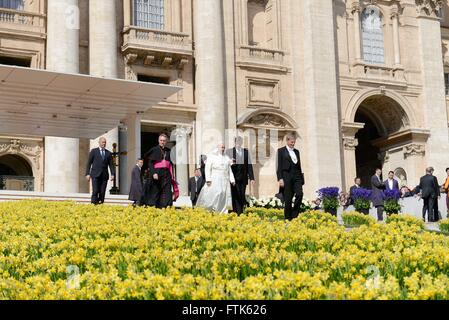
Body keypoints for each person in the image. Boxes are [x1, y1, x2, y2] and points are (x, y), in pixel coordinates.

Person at [196, 143, 235, 213]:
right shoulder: (211, 156)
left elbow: (229, 170)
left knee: (224, 195)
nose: (223, 149)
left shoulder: (226, 157)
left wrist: (232, 180)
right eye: (221, 147)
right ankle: (213, 211)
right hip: (215, 179)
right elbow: (207, 168)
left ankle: (222, 213)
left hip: (225, 180)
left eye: (224, 147)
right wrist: (208, 179)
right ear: (218, 148)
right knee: (217, 194)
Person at [144, 133, 179, 208]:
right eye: (161, 140)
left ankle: (166, 206)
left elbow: (171, 164)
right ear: (158, 141)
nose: (162, 142)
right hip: (157, 172)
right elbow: (150, 163)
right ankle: (153, 207)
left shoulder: (169, 151)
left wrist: (173, 176)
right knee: (155, 191)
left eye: (164, 140)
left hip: (167, 174)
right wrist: (154, 173)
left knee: (167, 191)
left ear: (166, 141)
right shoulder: (154, 149)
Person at [276, 132, 304, 220]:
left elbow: (299, 166)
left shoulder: (297, 151)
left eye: (294, 142)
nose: (293, 143)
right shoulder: (281, 151)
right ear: (287, 141)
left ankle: (294, 215)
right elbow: (278, 166)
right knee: (288, 199)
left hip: (297, 176)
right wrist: (280, 178)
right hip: (286, 176)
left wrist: (301, 178)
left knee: (300, 194)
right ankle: (288, 218)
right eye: (292, 142)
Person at [226, 136, 255, 215]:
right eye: (237, 142)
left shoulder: (245, 152)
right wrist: (231, 163)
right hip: (234, 179)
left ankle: (240, 212)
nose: (238, 144)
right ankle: (235, 212)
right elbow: (226, 165)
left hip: (243, 178)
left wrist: (252, 178)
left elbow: (249, 165)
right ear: (235, 143)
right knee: (235, 195)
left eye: (240, 142)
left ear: (241, 143)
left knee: (241, 195)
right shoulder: (229, 152)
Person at [85, 137, 115, 205]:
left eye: (105, 142)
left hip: (104, 176)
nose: (104, 144)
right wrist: (87, 174)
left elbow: (111, 165)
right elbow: (89, 163)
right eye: (102, 142)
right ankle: (93, 204)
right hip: (95, 175)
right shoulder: (94, 151)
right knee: (95, 191)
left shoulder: (108, 153)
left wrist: (113, 174)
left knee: (102, 192)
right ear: (99, 142)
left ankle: (100, 205)